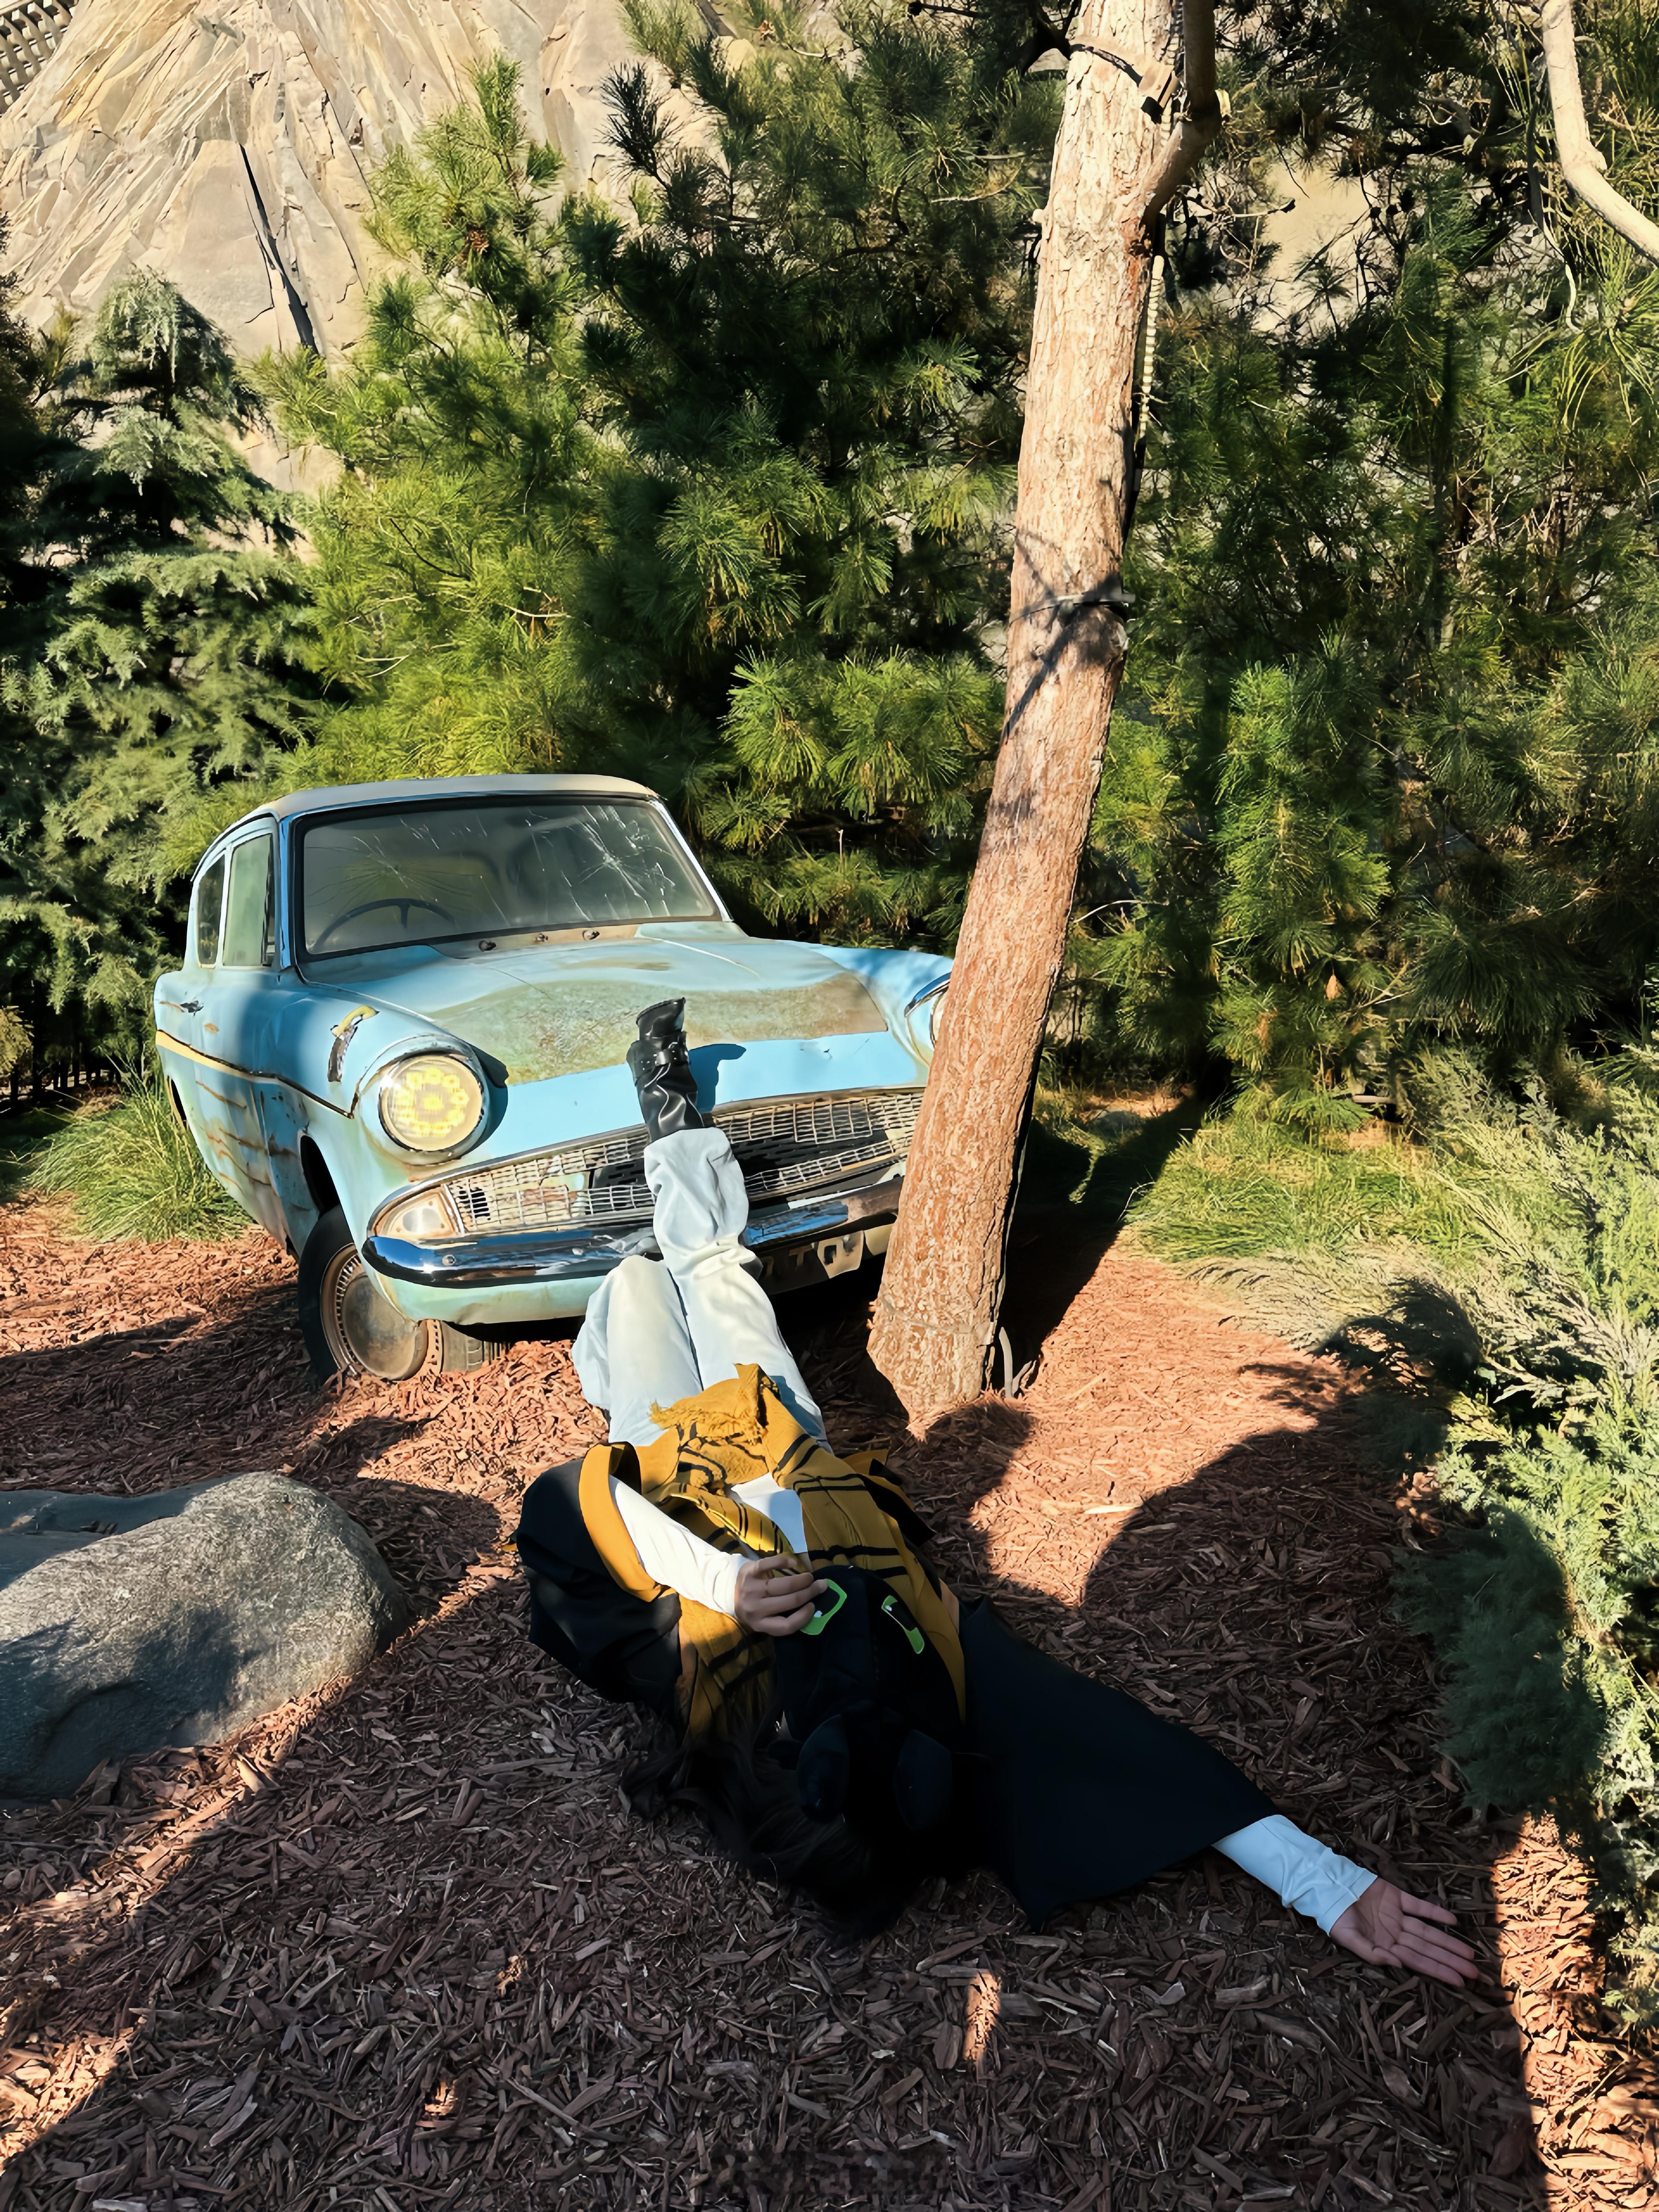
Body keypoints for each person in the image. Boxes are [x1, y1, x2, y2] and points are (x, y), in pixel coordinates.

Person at [514, 1003, 1476, 1987]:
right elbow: (1120, 1748)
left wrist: (723, 1585)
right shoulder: (937, 1692)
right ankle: (671, 1136)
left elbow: (561, 1517)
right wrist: (1324, 1882)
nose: (853, 1684)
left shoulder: (699, 1682)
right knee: (716, 1271)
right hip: (791, 1441)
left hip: (666, 1449)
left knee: (636, 1288)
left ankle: (642, 1192)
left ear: (777, 1751)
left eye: (817, 1724)